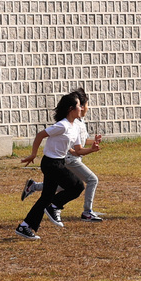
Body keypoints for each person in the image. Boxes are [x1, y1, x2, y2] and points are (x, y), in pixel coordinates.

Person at [14, 91, 100, 240]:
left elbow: (77, 150)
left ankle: (25, 226)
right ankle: (54, 207)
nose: (82, 108)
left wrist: (91, 149)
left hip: (59, 162)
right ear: (70, 109)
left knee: (46, 197)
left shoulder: (75, 127)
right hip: (50, 163)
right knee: (77, 186)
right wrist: (33, 154)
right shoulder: (62, 125)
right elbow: (40, 135)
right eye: (79, 106)